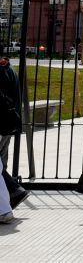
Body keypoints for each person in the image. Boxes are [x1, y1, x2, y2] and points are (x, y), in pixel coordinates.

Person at [0, 58, 28, 216]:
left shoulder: (3, 71)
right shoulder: (8, 69)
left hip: (3, 123)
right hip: (8, 123)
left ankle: (15, 191)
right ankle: (13, 194)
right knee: (1, 163)